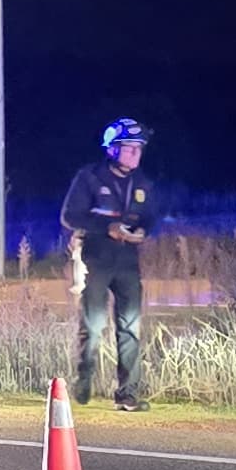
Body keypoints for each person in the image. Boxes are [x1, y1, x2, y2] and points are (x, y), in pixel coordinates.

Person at [61, 118, 159, 410]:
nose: (135, 153)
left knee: (130, 327)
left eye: (138, 148)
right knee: (93, 323)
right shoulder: (89, 178)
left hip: (128, 261)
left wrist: (144, 231)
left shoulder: (142, 183)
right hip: (96, 258)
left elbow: (150, 216)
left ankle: (127, 394)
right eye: (128, 148)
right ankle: (84, 378)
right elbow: (70, 216)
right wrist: (106, 228)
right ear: (112, 149)